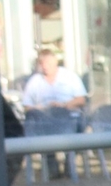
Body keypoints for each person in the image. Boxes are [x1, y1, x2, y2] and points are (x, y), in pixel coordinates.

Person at [19, 45, 86, 179]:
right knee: (36, 125)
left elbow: (81, 100)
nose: (45, 66)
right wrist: (40, 109)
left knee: (80, 127)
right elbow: (27, 106)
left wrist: (64, 105)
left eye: (48, 63)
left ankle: (69, 164)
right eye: (42, 63)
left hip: (68, 120)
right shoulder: (35, 82)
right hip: (45, 123)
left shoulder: (70, 77)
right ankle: (51, 167)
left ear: (55, 61)